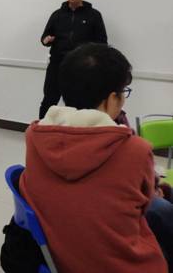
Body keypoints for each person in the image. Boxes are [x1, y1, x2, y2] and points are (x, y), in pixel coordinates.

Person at [20, 43, 167, 273]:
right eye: (123, 93)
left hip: (61, 260)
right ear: (111, 99)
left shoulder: (35, 136)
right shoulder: (134, 150)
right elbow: (147, 203)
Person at [39, 0, 107, 119]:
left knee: (79, 103)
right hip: (57, 64)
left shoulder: (94, 15)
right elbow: (45, 36)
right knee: (49, 100)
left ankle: (77, 131)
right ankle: (41, 128)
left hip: (81, 67)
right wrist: (46, 40)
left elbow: (102, 43)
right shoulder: (57, 14)